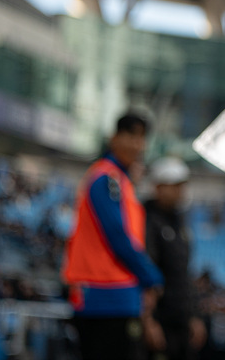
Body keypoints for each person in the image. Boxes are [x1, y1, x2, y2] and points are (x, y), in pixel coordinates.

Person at [63, 112, 164, 360]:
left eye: (141, 138)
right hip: (105, 296)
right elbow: (118, 236)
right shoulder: (106, 179)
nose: (136, 144)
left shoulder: (120, 181)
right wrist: (151, 277)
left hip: (115, 295)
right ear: (114, 138)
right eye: (131, 135)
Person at [143, 156, 206, 360]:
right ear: (158, 186)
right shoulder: (146, 220)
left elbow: (184, 273)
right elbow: (145, 272)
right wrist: (148, 320)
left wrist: (194, 315)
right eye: (174, 185)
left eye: (182, 185)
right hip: (160, 320)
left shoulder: (180, 222)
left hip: (180, 321)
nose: (180, 191)